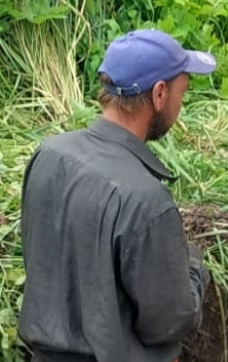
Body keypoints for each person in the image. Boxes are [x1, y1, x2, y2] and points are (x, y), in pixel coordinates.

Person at [19, 29, 217, 362]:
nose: (181, 105)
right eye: (182, 92)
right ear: (159, 94)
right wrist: (193, 268)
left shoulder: (48, 155)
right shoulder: (146, 201)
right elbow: (168, 322)